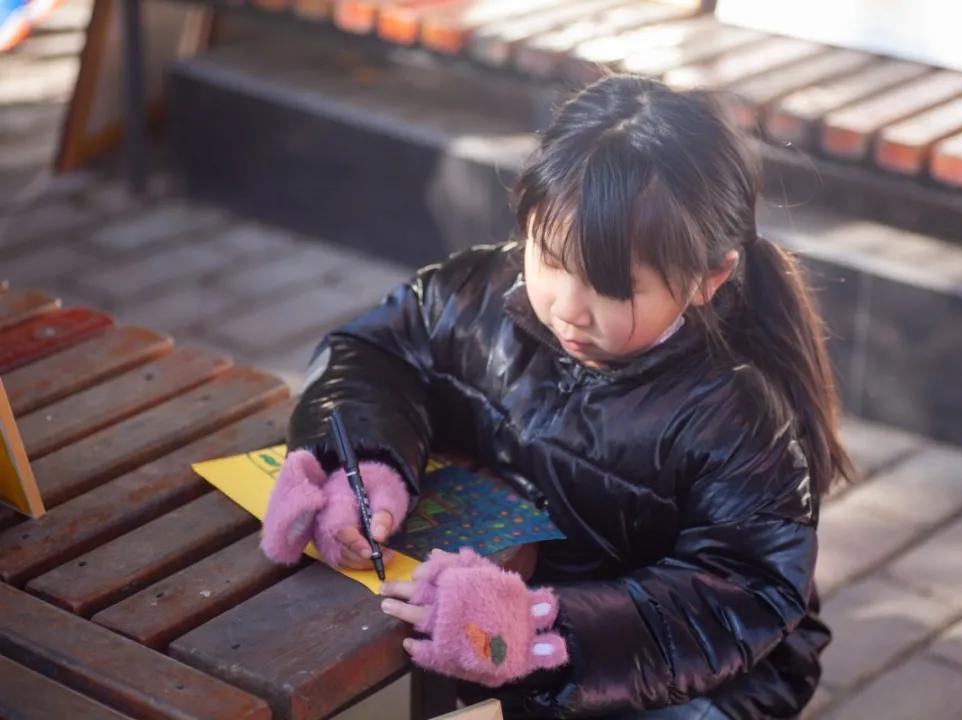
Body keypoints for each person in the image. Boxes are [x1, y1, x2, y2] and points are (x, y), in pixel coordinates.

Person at [260, 74, 854, 719]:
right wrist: (363, 464)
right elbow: (374, 352)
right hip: (511, 628)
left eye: (614, 288)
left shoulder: (734, 414)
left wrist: (543, 625)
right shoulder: (475, 293)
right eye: (548, 258)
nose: (568, 308)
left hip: (685, 677)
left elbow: (745, 591)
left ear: (709, 279)